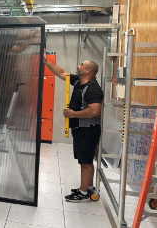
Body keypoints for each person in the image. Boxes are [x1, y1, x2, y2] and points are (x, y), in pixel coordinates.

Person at [44, 56, 103, 203]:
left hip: (88, 130)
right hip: (80, 129)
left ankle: (83, 193)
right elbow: (62, 73)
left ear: (88, 70)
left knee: (86, 162)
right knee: (86, 160)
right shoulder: (78, 81)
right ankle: (89, 189)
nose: (78, 66)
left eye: (82, 65)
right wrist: (46, 62)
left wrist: (73, 114)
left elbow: (95, 110)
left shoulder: (93, 88)